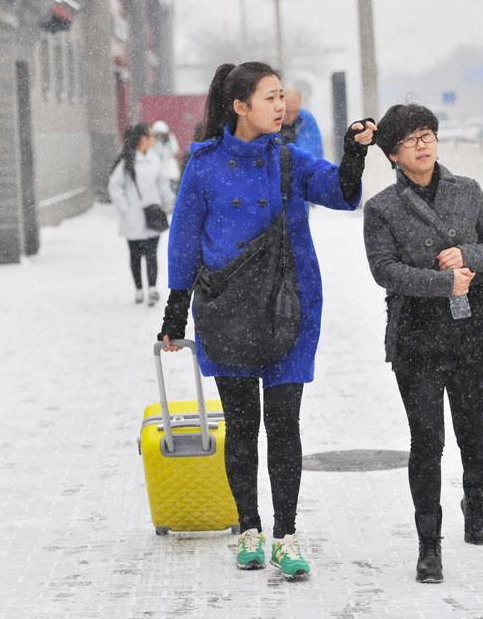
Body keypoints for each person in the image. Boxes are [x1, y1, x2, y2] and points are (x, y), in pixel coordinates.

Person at [158, 61, 376, 579]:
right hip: (226, 305)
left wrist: (355, 151)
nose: (281, 106)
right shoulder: (205, 163)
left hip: (289, 306)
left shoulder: (290, 160)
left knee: (283, 425)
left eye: (282, 96)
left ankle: (287, 535)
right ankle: (249, 528)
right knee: (241, 426)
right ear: (240, 106)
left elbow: (342, 194)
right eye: (270, 97)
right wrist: (175, 309)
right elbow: (185, 236)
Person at [363, 104, 483, 584]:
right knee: (427, 442)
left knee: (474, 433)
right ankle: (429, 544)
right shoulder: (382, 208)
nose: (423, 145)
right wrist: (442, 282)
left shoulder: (467, 191)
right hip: (416, 340)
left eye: (429, 135)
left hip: (473, 334)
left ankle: (476, 499)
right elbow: (384, 271)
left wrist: (467, 256)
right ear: (393, 154)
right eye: (411, 140)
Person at [108, 122, 174, 306]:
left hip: (152, 213)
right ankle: (138, 289)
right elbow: (115, 186)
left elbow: (162, 184)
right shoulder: (127, 162)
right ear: (142, 139)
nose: (153, 139)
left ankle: (152, 288)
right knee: (135, 255)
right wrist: (124, 208)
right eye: (150, 136)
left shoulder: (155, 160)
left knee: (152, 254)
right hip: (133, 216)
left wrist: (168, 202)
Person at [280, 87, 324, 160]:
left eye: (295, 112)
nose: (291, 117)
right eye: (287, 112)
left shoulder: (306, 120)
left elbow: (314, 153)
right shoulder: (268, 122)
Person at [151, 120, 181, 192]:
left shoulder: (170, 140)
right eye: (158, 134)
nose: (160, 137)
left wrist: (168, 143)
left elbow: (175, 149)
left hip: (170, 171)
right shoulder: (154, 143)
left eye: (162, 134)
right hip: (157, 171)